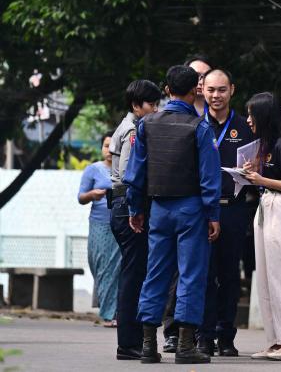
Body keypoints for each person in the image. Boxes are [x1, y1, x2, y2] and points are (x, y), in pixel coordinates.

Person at [124, 65, 222, 364]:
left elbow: (135, 173)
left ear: (166, 90)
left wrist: (135, 208)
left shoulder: (147, 125)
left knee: (156, 274)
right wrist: (213, 213)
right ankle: (185, 346)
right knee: (191, 275)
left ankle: (148, 346)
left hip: (159, 209)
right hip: (191, 208)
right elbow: (209, 177)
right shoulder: (200, 127)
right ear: (196, 90)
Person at [243, 92, 281, 361]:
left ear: (264, 116)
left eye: (251, 115)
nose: (248, 120)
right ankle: (276, 340)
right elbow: (268, 178)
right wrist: (253, 174)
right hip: (267, 207)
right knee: (267, 278)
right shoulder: (267, 146)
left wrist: (260, 179)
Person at [196, 68, 254, 356]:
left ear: (232, 89)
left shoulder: (245, 128)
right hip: (203, 211)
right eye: (210, 90)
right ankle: (203, 336)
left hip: (234, 209)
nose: (216, 96)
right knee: (204, 275)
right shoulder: (194, 125)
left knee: (230, 275)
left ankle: (226, 336)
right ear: (201, 91)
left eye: (221, 90)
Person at [162, 54, 214, 353]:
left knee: (200, 273)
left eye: (205, 76)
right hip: (183, 204)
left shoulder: (214, 116)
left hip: (203, 202)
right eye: (195, 76)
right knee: (177, 272)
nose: (200, 81)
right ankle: (175, 334)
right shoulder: (167, 118)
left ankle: (201, 334)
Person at [109, 80, 161, 360]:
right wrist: (135, 210)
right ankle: (127, 342)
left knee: (135, 273)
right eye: (151, 104)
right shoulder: (132, 130)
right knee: (132, 275)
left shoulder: (133, 126)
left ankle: (132, 340)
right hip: (128, 205)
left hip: (125, 205)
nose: (155, 109)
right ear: (135, 105)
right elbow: (130, 175)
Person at [78, 133, 121, 327]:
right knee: (101, 267)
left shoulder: (126, 169)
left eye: (113, 145)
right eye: (106, 145)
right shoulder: (93, 170)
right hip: (99, 224)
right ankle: (109, 310)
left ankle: (112, 313)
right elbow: (80, 197)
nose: (109, 150)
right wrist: (92, 195)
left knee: (116, 269)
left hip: (121, 222)